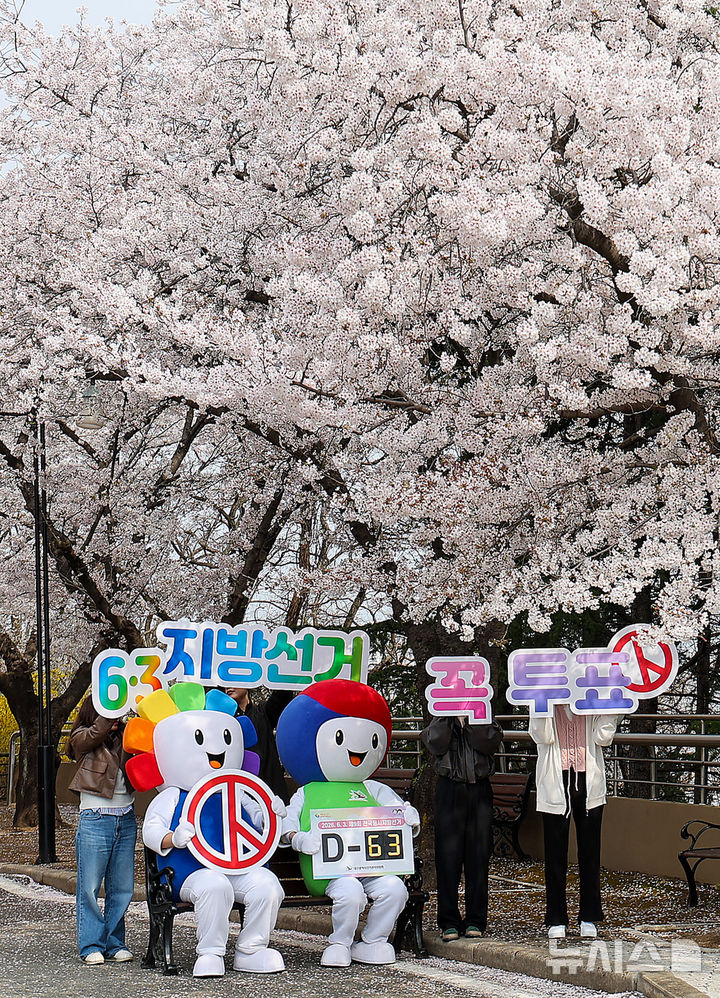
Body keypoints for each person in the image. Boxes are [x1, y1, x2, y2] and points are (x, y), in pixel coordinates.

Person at [276, 680, 420, 968]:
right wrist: (297, 838)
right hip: (330, 871)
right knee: (350, 894)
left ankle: (372, 940)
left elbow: (395, 812)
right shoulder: (307, 792)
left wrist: (408, 820)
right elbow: (285, 827)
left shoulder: (372, 788)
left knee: (395, 890)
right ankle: (339, 942)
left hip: (371, 866)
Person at [530, 706, 620, 939]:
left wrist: (613, 707)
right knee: (554, 854)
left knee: (590, 853)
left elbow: (604, 737)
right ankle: (556, 918)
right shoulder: (545, 699)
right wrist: (540, 702)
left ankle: (588, 916)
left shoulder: (591, 701)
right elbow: (541, 735)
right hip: (554, 781)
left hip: (589, 782)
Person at [420, 714, 503, 942]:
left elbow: (489, 742)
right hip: (449, 789)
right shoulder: (441, 715)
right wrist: (449, 716)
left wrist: (471, 720)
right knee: (447, 858)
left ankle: (476, 920)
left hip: (479, 790)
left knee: (478, 857)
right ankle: (448, 921)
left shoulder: (484, 712)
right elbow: (435, 743)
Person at [68, 696, 136, 965]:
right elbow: (92, 735)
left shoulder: (123, 738)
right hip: (95, 818)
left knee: (121, 887)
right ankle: (91, 945)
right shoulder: (81, 737)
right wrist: (109, 716)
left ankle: (115, 943)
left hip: (126, 817)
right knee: (90, 887)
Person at [223, 687, 292, 801]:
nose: (228, 687)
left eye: (235, 680)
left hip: (270, 792)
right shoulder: (224, 719)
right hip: (238, 795)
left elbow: (283, 693)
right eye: (226, 683)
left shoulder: (263, 711)